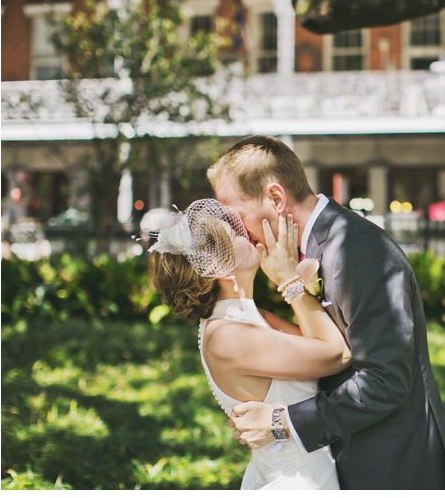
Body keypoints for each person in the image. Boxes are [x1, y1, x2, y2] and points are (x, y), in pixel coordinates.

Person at [207, 136, 445, 490]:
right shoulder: (295, 252)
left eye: (234, 215)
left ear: (276, 199)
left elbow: (385, 381)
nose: (234, 228)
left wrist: (282, 421)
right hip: (344, 460)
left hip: (390, 467)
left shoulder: (357, 249)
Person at [148, 198, 350, 489]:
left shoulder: (250, 318)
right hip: (294, 483)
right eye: (235, 234)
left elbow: (328, 350)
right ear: (219, 267)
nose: (246, 231)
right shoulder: (226, 336)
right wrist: (290, 282)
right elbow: (336, 354)